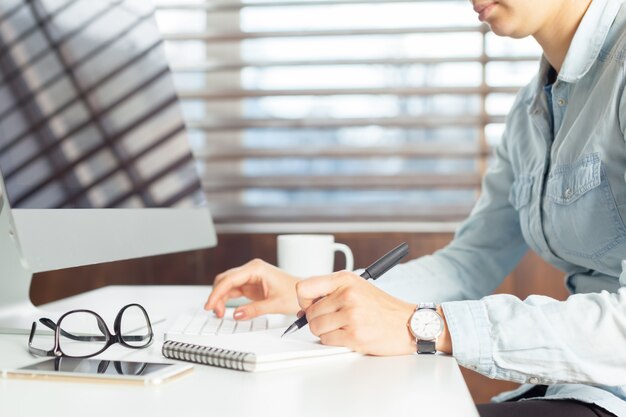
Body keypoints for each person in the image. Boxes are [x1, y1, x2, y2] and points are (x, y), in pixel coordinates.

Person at [205, 0, 626, 415]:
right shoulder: (530, 111)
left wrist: (421, 326)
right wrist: (318, 291)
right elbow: (470, 262)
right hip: (576, 387)